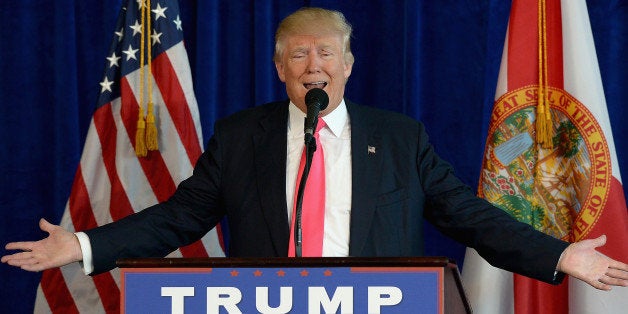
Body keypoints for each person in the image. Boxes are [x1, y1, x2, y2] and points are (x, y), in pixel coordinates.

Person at [2, 7, 627, 291]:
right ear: (280, 69)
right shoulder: (242, 136)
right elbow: (179, 217)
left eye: (326, 52)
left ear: (348, 65)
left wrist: (560, 257)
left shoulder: (400, 138)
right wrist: (82, 245)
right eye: (299, 54)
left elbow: (468, 216)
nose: (313, 65)